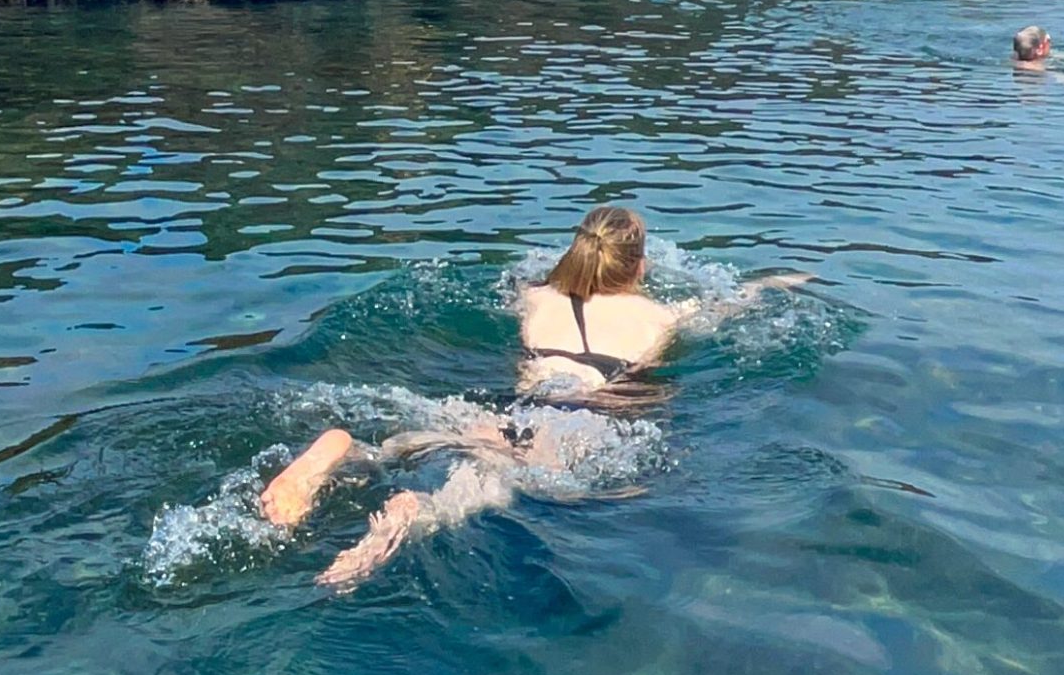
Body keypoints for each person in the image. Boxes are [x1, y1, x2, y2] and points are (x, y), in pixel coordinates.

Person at [260, 204, 810, 587]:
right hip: (583, 418)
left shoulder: (537, 299)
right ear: (640, 265)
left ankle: (347, 450)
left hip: (516, 406)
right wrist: (772, 285)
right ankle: (415, 513)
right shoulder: (658, 318)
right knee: (490, 487)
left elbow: (516, 285)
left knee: (422, 445)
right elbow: (727, 306)